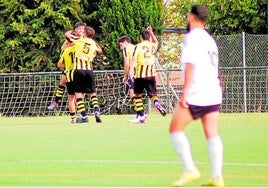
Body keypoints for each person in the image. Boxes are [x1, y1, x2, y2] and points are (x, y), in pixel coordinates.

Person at [169, 5, 224, 187]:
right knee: (212, 134)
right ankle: (217, 177)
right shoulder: (209, 40)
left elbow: (191, 65)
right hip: (213, 91)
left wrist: (184, 93)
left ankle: (190, 169)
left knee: (175, 129)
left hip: (196, 92)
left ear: (191, 17)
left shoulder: (191, 38)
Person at [129, 26, 167, 124]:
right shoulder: (153, 46)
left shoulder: (138, 46)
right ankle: (157, 103)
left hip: (140, 75)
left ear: (141, 38)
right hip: (151, 75)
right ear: (148, 37)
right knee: (153, 95)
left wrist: (131, 71)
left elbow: (134, 59)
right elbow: (156, 42)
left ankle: (142, 116)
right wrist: (151, 32)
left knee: (137, 95)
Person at [65, 26, 103, 123]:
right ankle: (97, 111)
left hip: (79, 70)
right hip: (89, 70)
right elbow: (99, 50)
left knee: (78, 94)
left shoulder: (79, 40)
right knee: (92, 93)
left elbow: (67, 35)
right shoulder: (93, 43)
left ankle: (84, 116)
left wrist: (72, 32)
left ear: (85, 33)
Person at [47, 22, 86, 110]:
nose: (81, 30)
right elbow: (63, 47)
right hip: (70, 66)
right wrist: (70, 42)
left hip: (81, 67)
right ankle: (56, 101)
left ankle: (81, 113)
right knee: (63, 81)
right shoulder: (71, 39)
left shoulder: (84, 39)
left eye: (82, 29)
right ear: (75, 30)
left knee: (78, 95)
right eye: (79, 28)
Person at [117, 36, 136, 115]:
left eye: (121, 45)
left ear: (125, 42)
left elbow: (127, 63)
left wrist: (125, 76)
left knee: (132, 93)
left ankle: (140, 113)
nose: (121, 48)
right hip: (142, 72)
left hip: (133, 74)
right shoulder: (136, 47)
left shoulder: (126, 49)